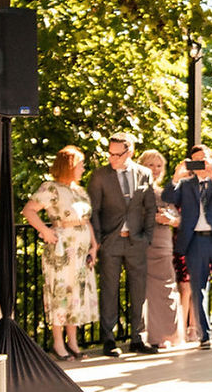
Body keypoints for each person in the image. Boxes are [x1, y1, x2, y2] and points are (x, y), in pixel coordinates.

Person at [163, 144, 212, 352]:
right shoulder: (185, 184)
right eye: (196, 160)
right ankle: (204, 336)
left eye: (204, 158)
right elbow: (168, 197)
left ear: (211, 159)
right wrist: (176, 177)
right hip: (195, 242)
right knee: (198, 291)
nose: (201, 163)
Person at [21, 145, 99, 360]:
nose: (83, 169)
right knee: (61, 293)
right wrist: (45, 231)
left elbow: (86, 220)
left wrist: (94, 245)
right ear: (70, 165)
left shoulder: (79, 190)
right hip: (63, 250)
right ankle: (58, 342)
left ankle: (73, 341)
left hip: (82, 249)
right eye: (80, 164)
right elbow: (29, 210)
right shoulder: (51, 188)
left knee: (77, 294)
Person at [88, 132, 157, 357]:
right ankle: (109, 338)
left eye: (118, 154)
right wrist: (98, 241)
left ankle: (138, 338)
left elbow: (149, 208)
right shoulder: (99, 176)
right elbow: (94, 211)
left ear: (131, 152)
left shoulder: (144, 173)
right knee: (109, 290)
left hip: (136, 241)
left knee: (139, 291)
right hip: (111, 241)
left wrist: (147, 236)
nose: (113, 158)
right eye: (110, 153)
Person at [137, 149, 183, 348]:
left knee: (167, 288)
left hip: (165, 244)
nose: (155, 169)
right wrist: (154, 218)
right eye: (150, 165)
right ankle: (154, 337)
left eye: (158, 166)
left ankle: (168, 335)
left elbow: (180, 219)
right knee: (152, 291)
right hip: (147, 245)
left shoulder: (163, 192)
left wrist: (172, 220)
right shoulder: (137, 190)